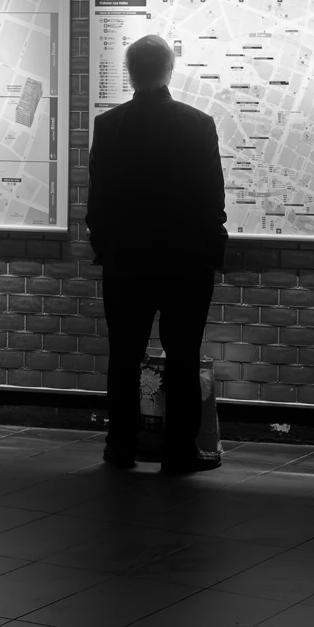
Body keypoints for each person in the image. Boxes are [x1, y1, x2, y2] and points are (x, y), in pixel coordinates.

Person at [85, 32, 227, 472]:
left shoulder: (109, 127)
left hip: (126, 263)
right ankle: (178, 453)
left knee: (124, 356)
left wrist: (106, 250)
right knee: (183, 356)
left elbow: (98, 205)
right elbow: (212, 202)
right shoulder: (198, 124)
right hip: (185, 264)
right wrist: (210, 255)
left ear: (129, 72)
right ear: (169, 70)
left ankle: (119, 447)